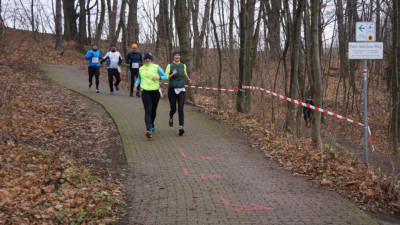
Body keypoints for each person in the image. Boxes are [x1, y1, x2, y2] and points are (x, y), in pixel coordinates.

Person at [134, 52, 168, 138]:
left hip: (155, 92)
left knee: (153, 111)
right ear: (144, 60)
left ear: (151, 59)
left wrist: (158, 77)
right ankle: (148, 130)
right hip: (145, 91)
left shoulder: (156, 67)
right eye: (145, 58)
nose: (147, 60)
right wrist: (136, 85)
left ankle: (152, 123)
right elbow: (139, 78)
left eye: (149, 58)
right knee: (148, 110)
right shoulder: (141, 68)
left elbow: (165, 77)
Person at [165, 51, 192, 136]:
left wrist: (188, 78)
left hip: (181, 89)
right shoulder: (169, 66)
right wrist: (172, 74)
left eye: (178, 55)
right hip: (172, 89)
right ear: (173, 57)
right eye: (175, 55)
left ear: (180, 57)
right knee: (174, 109)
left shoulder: (183, 65)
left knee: (181, 108)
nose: (177, 57)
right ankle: (171, 116)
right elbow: (165, 78)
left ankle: (181, 127)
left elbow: (185, 73)